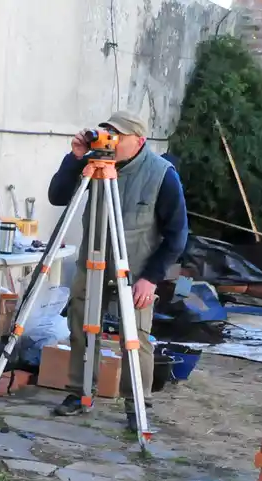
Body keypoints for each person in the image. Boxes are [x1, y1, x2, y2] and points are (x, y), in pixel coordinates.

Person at [47, 111, 189, 429]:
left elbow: (178, 234)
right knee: (82, 327)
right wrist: (75, 158)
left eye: (117, 136)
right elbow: (57, 196)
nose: (109, 141)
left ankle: (136, 403)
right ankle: (80, 392)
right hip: (93, 260)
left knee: (134, 338)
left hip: (135, 269)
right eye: (106, 133)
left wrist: (151, 279)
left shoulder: (162, 174)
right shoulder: (94, 164)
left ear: (139, 142)